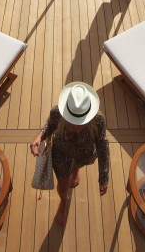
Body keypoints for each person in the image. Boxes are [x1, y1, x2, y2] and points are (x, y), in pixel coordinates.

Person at [29, 82, 110, 226]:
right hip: (61, 156)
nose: (76, 127)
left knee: (77, 166)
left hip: (84, 155)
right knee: (62, 185)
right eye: (72, 121)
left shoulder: (98, 121)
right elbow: (50, 126)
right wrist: (40, 136)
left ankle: (75, 169)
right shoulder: (56, 113)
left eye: (80, 122)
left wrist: (103, 176)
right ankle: (63, 201)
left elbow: (102, 146)